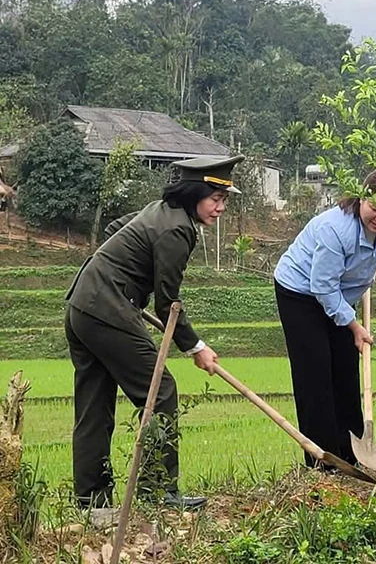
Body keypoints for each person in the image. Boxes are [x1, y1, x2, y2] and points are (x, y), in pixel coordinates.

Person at [65, 154, 243, 511]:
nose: (221, 208)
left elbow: (115, 229)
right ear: (194, 194)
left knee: (94, 407)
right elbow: (168, 303)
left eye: (224, 199)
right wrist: (196, 347)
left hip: (81, 305)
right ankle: (158, 493)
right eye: (215, 199)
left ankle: (92, 503)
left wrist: (119, 275)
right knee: (160, 391)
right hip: (107, 310)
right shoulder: (178, 230)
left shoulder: (159, 211)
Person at [273, 168, 376, 468]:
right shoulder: (335, 229)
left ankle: (350, 454)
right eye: (375, 208)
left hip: (340, 295)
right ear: (361, 200)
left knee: (345, 369)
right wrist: (354, 326)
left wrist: (351, 311)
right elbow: (322, 285)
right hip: (301, 292)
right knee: (315, 372)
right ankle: (323, 462)